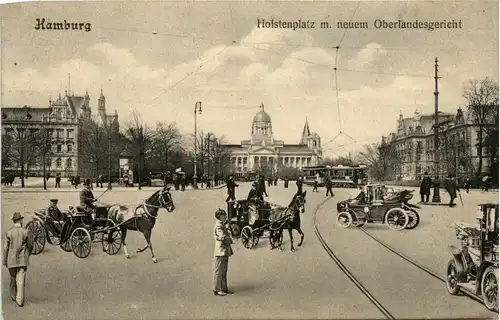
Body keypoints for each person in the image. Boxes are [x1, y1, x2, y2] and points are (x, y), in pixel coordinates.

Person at [3, 212, 34, 307]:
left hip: (11, 259)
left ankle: (13, 295)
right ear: (20, 220)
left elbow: (5, 248)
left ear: (13, 221)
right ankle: (19, 300)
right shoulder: (26, 232)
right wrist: (28, 254)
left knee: (12, 278)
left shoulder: (8, 233)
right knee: (21, 279)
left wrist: (4, 260)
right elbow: (30, 245)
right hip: (22, 259)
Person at [212, 208, 234, 296]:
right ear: (219, 217)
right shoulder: (219, 226)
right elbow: (221, 236)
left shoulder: (222, 224)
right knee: (219, 270)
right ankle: (217, 289)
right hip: (220, 251)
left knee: (224, 270)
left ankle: (224, 288)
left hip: (223, 251)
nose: (225, 216)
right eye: (223, 215)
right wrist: (229, 239)